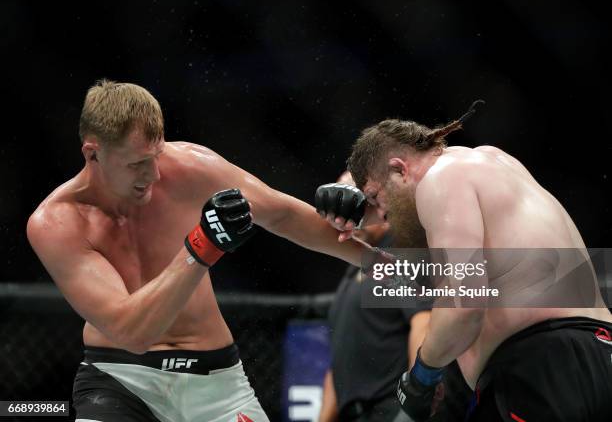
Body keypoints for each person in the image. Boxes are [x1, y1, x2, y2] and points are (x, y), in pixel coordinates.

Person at [26, 79, 364, 422]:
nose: (154, 174)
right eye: (137, 163)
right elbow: (133, 332)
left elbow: (282, 214)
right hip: (119, 379)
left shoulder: (190, 167)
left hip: (216, 382)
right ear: (92, 153)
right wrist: (203, 244)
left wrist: (393, 266)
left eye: (156, 156)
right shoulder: (56, 224)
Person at [314, 104, 612, 421]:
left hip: (539, 368)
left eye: (375, 198)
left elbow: (464, 302)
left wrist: (421, 377)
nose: (384, 216)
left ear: (400, 169)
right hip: (599, 352)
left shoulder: (439, 180)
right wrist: (351, 208)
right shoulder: (492, 162)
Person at [318, 171, 431, 422]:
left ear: (377, 203)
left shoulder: (402, 254)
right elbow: (340, 359)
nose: (344, 214)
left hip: (390, 409)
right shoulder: (354, 270)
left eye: (352, 203)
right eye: (338, 205)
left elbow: (424, 323)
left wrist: (414, 407)